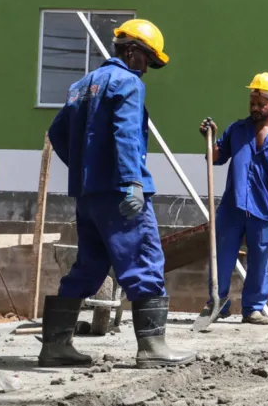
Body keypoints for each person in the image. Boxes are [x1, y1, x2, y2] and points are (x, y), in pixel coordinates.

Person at [43, 19, 194, 368]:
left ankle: (55, 346)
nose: (147, 70)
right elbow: (125, 134)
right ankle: (153, 348)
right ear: (130, 51)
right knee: (143, 261)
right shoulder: (127, 82)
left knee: (89, 267)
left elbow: (57, 132)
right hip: (120, 195)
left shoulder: (81, 86)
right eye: (147, 60)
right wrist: (132, 183)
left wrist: (85, 171)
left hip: (89, 195)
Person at [198, 73, 268, 325]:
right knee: (222, 255)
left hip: (263, 208)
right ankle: (217, 303)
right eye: (252, 103)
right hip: (232, 206)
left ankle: (253, 308)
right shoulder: (237, 130)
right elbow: (215, 157)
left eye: (261, 104)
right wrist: (209, 138)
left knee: (259, 259)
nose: (255, 108)